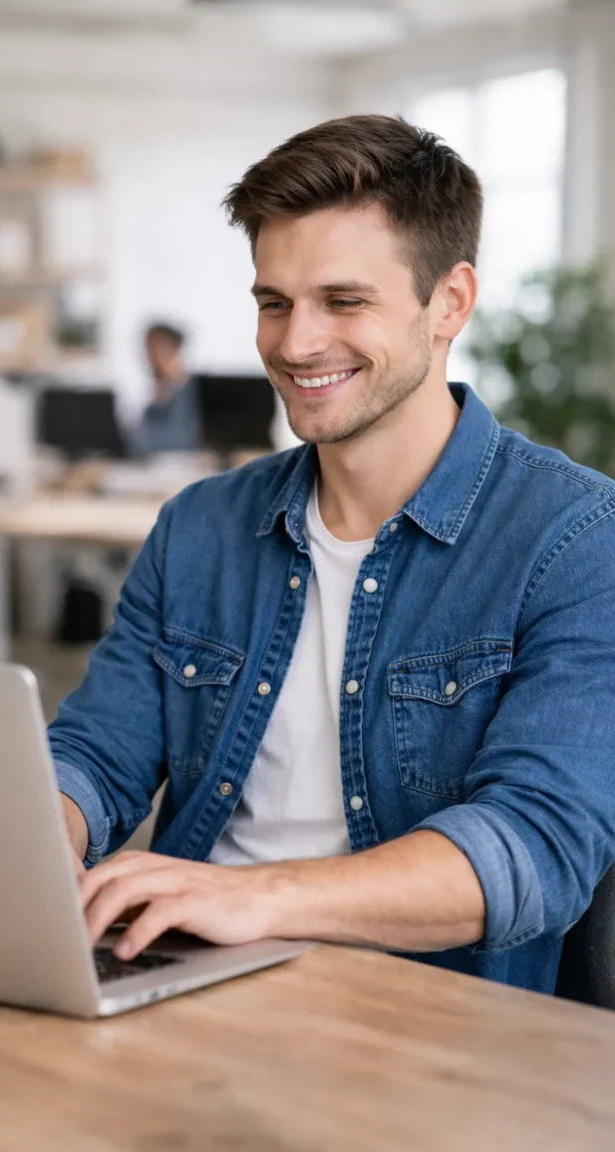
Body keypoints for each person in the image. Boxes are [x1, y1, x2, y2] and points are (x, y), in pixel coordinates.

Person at [49, 115, 615, 996]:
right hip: (179, 980)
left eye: (343, 302)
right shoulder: (199, 525)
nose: (295, 343)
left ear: (451, 303)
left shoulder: (574, 538)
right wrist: (37, 828)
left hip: (426, 1023)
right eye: (273, 302)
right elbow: (95, 754)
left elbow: (534, 850)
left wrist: (254, 897)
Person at [129, 322, 201, 454]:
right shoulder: (155, 399)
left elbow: (182, 440)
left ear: (174, 348)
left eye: (154, 349)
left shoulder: (190, 391)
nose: (148, 357)